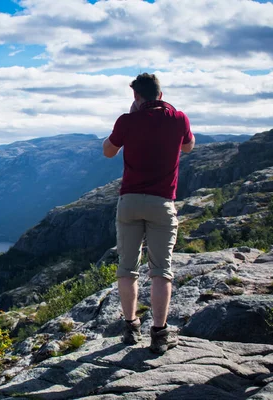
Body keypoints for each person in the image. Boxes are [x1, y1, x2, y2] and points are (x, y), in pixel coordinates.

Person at [102, 73, 195, 354]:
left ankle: (130, 328)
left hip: (129, 201)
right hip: (162, 203)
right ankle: (159, 334)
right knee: (161, 270)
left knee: (127, 268)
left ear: (136, 97)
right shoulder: (179, 118)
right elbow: (189, 147)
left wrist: (131, 120)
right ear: (161, 94)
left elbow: (108, 151)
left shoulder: (127, 120)